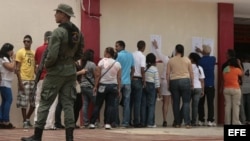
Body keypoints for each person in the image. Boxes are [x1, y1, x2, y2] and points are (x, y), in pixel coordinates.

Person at [21, 3, 84, 141]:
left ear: (64, 15)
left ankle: (37, 136)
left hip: (56, 72)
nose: (55, 15)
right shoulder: (78, 33)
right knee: (68, 104)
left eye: (57, 12)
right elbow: (80, 53)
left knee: (44, 102)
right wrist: (69, 61)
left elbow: (52, 54)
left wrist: (48, 66)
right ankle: (69, 137)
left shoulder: (58, 32)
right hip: (70, 71)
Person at [88, 47, 121, 129]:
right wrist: (119, 88)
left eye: (105, 52)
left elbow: (97, 75)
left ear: (108, 53)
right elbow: (119, 77)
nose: (104, 53)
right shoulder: (117, 63)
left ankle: (92, 122)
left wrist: (95, 86)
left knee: (98, 104)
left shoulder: (101, 62)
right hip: (113, 85)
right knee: (110, 105)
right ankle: (107, 123)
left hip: (103, 85)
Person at [34, 31, 58, 130]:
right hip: (52, 78)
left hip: (40, 78)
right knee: (52, 102)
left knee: (39, 100)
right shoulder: (55, 49)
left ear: (44, 38)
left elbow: (35, 65)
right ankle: (49, 124)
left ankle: (37, 122)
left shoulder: (38, 49)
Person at [166, 44, 193, 128]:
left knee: (176, 103)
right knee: (186, 102)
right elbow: (191, 73)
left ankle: (177, 123)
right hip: (185, 80)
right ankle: (187, 123)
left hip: (174, 81)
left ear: (176, 50)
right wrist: (192, 83)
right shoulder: (187, 60)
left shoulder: (171, 60)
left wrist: (168, 84)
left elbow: (167, 73)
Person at [15, 35, 36, 129]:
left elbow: (35, 67)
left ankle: (27, 119)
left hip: (32, 79)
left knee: (34, 103)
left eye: (28, 41)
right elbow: (17, 68)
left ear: (31, 42)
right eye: (24, 41)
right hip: (24, 79)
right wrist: (20, 82)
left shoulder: (33, 53)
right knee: (24, 103)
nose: (26, 43)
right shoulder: (20, 52)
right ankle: (24, 121)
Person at [115, 40, 134, 128]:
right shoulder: (130, 55)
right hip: (128, 83)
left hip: (119, 82)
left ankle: (116, 121)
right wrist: (130, 77)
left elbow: (116, 68)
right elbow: (133, 68)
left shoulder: (118, 55)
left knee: (115, 101)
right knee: (127, 103)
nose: (116, 48)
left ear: (122, 46)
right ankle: (125, 122)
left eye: (117, 46)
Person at [196, 45, 216, 126]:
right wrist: (202, 51)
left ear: (203, 52)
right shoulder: (213, 59)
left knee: (201, 103)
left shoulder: (200, 61)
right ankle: (210, 120)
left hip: (202, 85)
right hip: (210, 85)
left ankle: (201, 120)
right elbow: (209, 55)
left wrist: (200, 52)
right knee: (210, 103)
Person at [152, 40, 171, 127]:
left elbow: (159, 54)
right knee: (175, 103)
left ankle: (165, 120)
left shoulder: (167, 59)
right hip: (174, 81)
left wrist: (156, 45)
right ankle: (176, 121)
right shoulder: (180, 61)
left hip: (165, 82)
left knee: (165, 103)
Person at [77, 49, 96, 127]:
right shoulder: (92, 64)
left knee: (85, 104)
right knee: (96, 103)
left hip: (82, 86)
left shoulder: (82, 63)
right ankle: (93, 122)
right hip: (90, 86)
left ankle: (85, 122)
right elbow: (95, 75)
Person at [140, 53, 160, 128]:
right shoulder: (154, 69)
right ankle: (150, 123)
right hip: (152, 86)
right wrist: (159, 92)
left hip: (144, 86)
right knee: (151, 105)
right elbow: (157, 81)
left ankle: (143, 122)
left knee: (143, 105)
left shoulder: (144, 68)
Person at [130, 40, 146, 127]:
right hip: (139, 80)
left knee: (130, 102)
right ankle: (136, 121)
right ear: (143, 47)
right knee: (137, 102)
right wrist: (144, 80)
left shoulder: (132, 54)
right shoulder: (142, 56)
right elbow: (142, 69)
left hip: (131, 79)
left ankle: (128, 120)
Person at [0, 43, 16, 129]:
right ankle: (5, 120)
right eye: (11, 50)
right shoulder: (3, 59)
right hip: (4, 82)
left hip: (6, 82)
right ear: (7, 51)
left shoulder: (6, 58)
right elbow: (11, 68)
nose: (12, 52)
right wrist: (13, 59)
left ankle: (2, 119)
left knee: (5, 101)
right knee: (9, 100)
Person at [223, 58, 243, 125]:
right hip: (235, 89)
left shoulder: (225, 69)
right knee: (236, 106)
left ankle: (227, 122)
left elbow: (224, 77)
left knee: (227, 106)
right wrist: (239, 64)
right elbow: (242, 74)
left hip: (226, 89)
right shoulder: (237, 70)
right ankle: (235, 122)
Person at [188, 52, 205, 126]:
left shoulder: (188, 67)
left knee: (186, 104)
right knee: (195, 106)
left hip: (189, 87)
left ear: (191, 59)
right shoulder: (200, 68)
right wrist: (203, 90)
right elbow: (202, 80)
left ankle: (185, 120)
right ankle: (194, 121)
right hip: (198, 88)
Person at [240, 55, 250, 125]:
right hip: (249, 88)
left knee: (242, 105)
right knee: (249, 105)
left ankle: (242, 119)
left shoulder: (240, 65)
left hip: (242, 88)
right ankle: (249, 119)